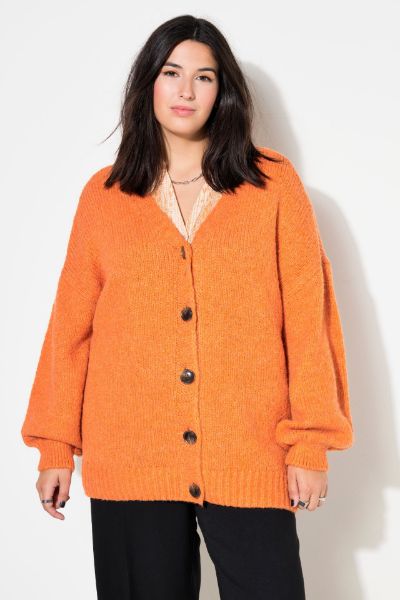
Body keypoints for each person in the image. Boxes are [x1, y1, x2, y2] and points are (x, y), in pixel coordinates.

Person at [20, 14, 354, 600]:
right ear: (148, 83)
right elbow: (70, 329)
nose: (186, 90)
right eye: (172, 73)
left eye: (204, 77)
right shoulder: (104, 196)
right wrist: (56, 446)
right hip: (131, 455)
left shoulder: (273, 185)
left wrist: (310, 443)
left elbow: (309, 322)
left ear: (223, 91)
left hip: (249, 451)